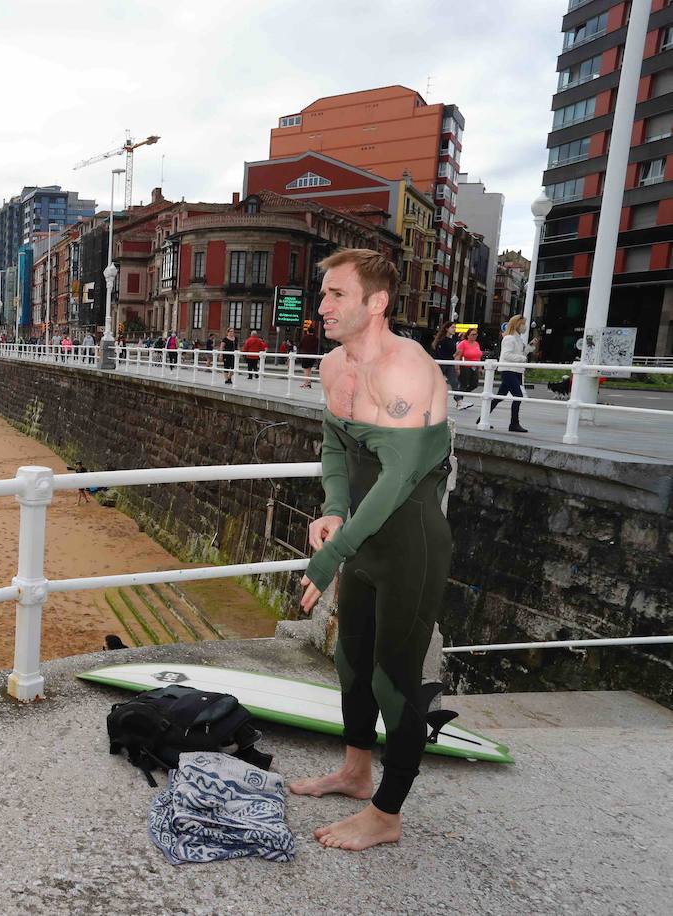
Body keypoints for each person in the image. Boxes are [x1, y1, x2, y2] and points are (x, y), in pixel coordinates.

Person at [289, 248, 452, 852]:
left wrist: (330, 557)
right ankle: (357, 772)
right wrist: (334, 508)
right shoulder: (334, 366)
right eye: (323, 293)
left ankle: (387, 813)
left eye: (337, 295)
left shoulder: (406, 371)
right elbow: (335, 446)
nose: (322, 305)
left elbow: (396, 482)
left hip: (410, 544)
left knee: (393, 680)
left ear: (377, 302)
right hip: (362, 538)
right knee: (350, 663)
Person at [486, 315, 534, 433]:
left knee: (499, 396)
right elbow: (506, 355)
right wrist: (522, 358)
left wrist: (529, 348)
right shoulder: (509, 338)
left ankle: (482, 417)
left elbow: (519, 354)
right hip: (509, 371)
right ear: (517, 324)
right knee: (518, 396)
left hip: (515, 371)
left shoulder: (518, 339)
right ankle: (514, 424)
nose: (525, 326)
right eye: (523, 324)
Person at [431, 322, 461, 407]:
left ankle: (459, 402)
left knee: (454, 382)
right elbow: (439, 353)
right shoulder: (441, 340)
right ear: (447, 329)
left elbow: (451, 354)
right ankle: (431, 400)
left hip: (449, 363)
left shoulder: (453, 340)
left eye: (455, 327)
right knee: (437, 383)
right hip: (441, 364)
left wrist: (455, 354)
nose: (454, 329)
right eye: (452, 327)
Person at [454, 328, 483, 410]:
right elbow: (458, 356)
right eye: (473, 334)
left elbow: (478, 356)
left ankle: (458, 396)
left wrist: (480, 367)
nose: (475, 336)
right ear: (468, 335)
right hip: (465, 366)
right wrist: (457, 368)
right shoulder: (463, 343)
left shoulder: (477, 344)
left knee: (474, 384)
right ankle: (459, 401)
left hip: (475, 367)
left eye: (476, 334)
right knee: (463, 384)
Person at [299, 322, 321, 388]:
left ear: (308, 331)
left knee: (305, 369)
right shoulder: (316, 338)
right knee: (309, 369)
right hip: (313, 355)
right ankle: (309, 383)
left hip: (305, 355)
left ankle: (306, 383)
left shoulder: (305, 338)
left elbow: (300, 345)